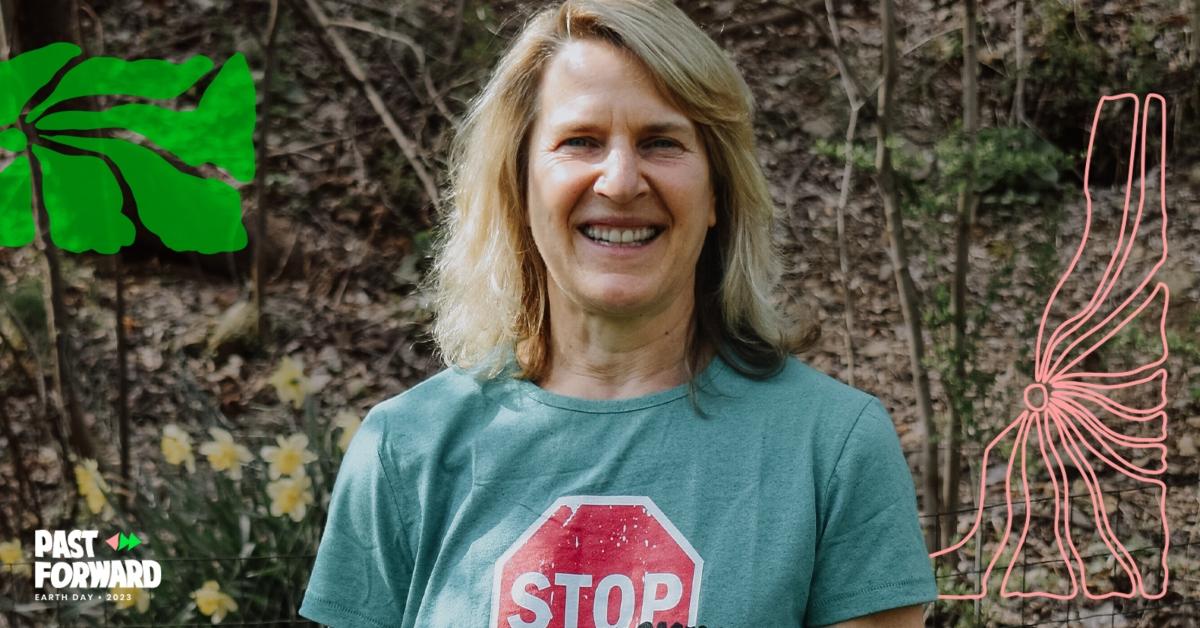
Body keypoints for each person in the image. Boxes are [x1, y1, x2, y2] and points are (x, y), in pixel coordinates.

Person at [299, 0, 937, 626]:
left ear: (717, 192)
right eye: (580, 141)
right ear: (520, 187)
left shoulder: (831, 448)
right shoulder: (405, 448)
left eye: (662, 142)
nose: (621, 181)